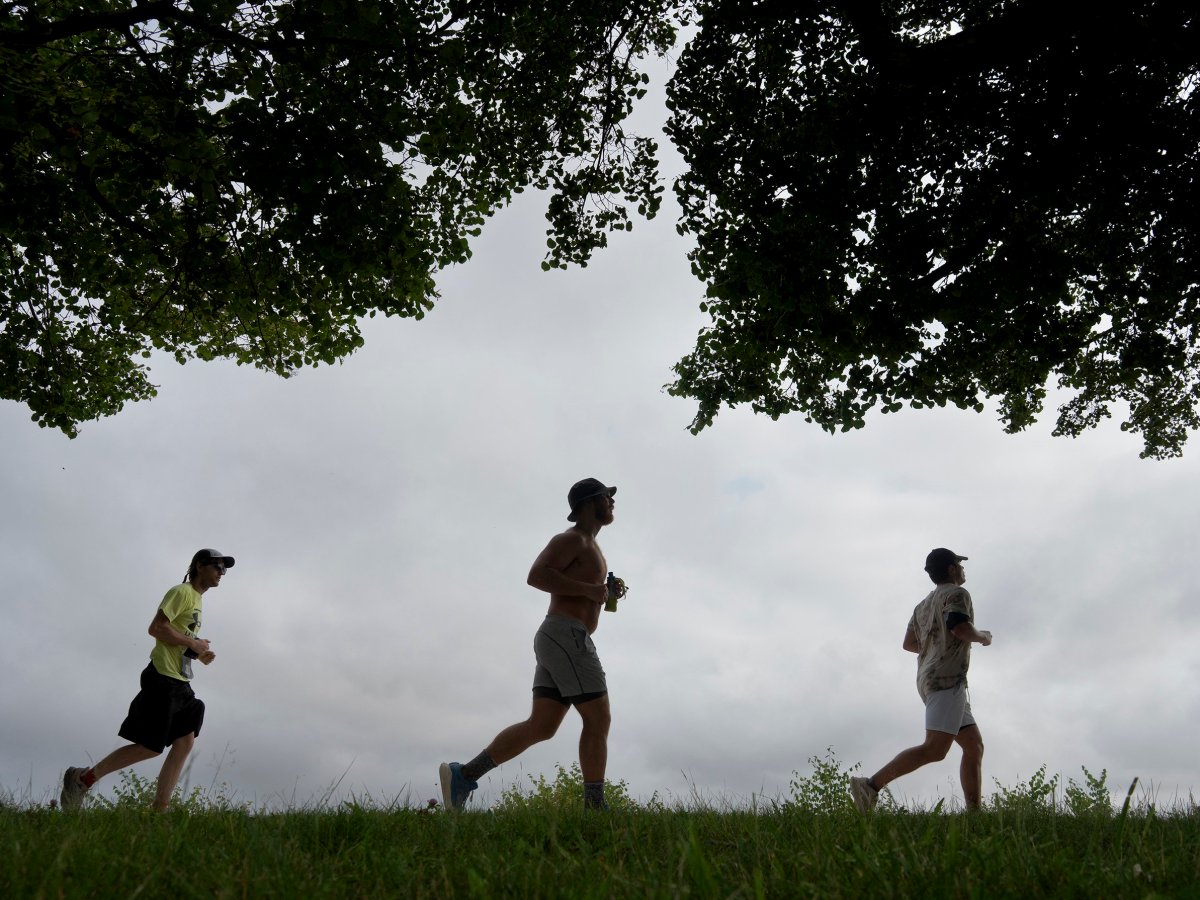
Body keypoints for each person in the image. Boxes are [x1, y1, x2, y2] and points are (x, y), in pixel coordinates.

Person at [439, 478, 627, 811]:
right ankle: (595, 809)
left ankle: (464, 776)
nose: (612, 502)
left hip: (560, 637)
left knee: (541, 726)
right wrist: (589, 590)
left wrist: (603, 593)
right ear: (589, 502)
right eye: (606, 497)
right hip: (566, 635)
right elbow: (537, 575)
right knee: (598, 718)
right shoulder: (572, 539)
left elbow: (581, 590)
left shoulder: (591, 547)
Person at [59, 548, 234, 812]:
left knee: (185, 740)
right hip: (162, 679)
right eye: (217, 567)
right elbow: (157, 628)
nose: (222, 573)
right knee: (150, 747)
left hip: (179, 681)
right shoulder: (182, 592)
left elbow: (176, 634)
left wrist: (197, 651)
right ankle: (82, 780)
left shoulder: (197, 599)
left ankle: (159, 810)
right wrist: (193, 643)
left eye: (224, 569)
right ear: (200, 566)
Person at [850, 547, 993, 813]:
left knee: (973, 745)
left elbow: (909, 643)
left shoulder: (922, 606)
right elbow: (960, 627)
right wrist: (983, 637)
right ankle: (870, 786)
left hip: (930, 679)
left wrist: (935, 650)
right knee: (934, 749)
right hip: (946, 680)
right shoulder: (957, 594)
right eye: (959, 564)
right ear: (951, 569)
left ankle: (975, 814)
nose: (963, 569)